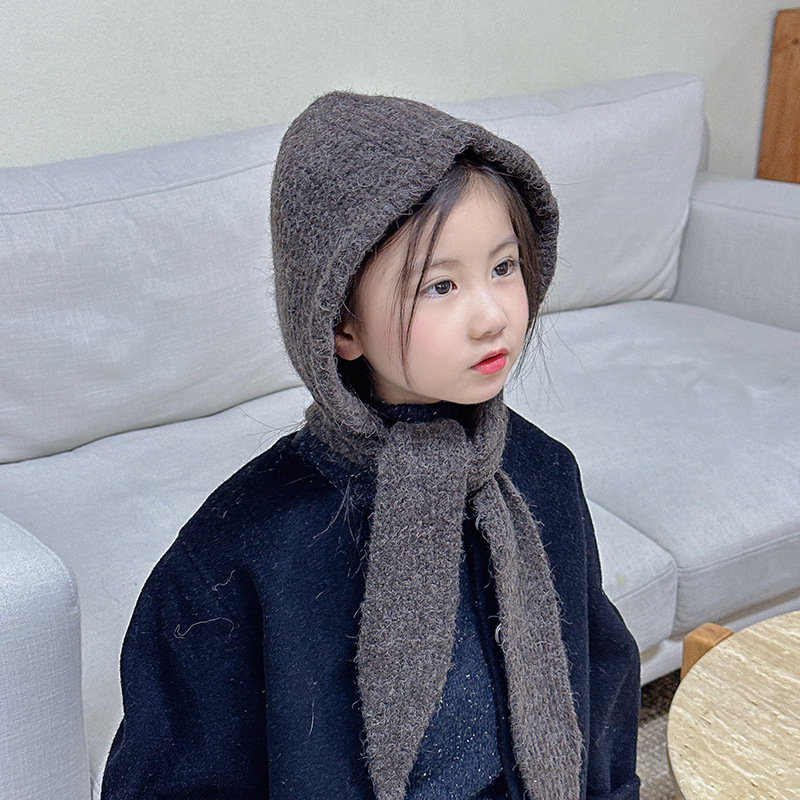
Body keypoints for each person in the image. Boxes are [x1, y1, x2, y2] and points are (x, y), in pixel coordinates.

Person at [101, 91, 641, 800]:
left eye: (504, 267)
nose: (491, 315)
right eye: (440, 285)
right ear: (341, 325)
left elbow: (598, 680)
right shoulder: (243, 549)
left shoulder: (541, 475)